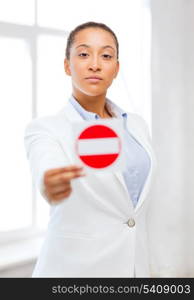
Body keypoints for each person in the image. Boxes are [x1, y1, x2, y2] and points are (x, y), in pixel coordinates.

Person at [24, 21, 157, 277]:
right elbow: (46, 166)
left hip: (133, 268)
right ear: (67, 65)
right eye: (84, 54)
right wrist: (49, 182)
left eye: (106, 56)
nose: (95, 64)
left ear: (116, 68)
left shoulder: (136, 126)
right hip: (75, 271)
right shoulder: (47, 129)